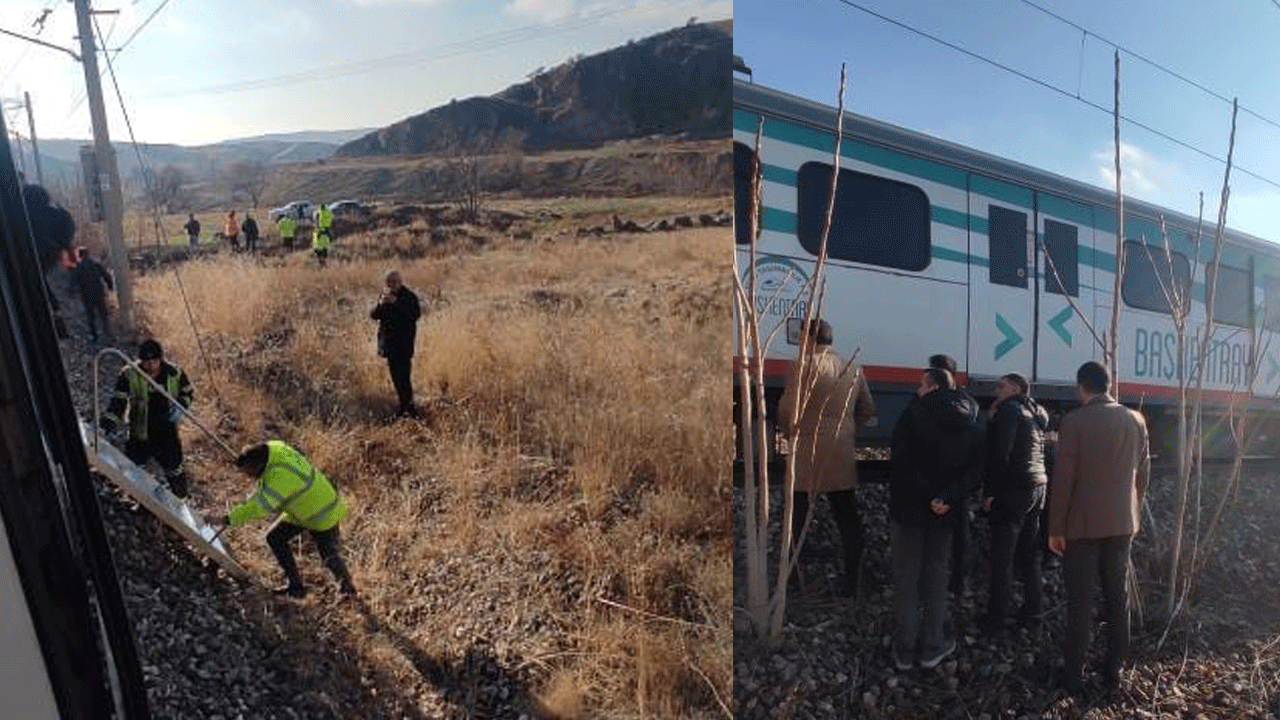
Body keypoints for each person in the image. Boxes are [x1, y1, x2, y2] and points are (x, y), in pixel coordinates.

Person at [1048, 361, 1149, 695]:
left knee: (1080, 602)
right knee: (1116, 599)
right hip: (1123, 525)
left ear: (1081, 388)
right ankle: (1114, 670)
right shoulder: (1136, 420)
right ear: (1109, 385)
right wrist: (1131, 510)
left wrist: (1056, 527)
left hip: (1082, 527)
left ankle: (1074, 675)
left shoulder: (1075, 422)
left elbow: (1064, 481)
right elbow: (1142, 474)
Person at [889, 367, 980, 670]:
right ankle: (932, 645)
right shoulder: (971, 418)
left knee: (908, 577)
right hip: (946, 514)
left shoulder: (912, 414)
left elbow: (901, 466)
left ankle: (904, 649)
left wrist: (929, 496)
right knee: (937, 576)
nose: (917, 389)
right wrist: (947, 497)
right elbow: (976, 470)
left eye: (920, 384)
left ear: (932, 386)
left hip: (910, 512)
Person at [777, 318, 876, 597]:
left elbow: (786, 410)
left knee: (795, 516)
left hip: (807, 449)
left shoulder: (801, 365)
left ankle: (792, 581)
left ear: (809, 338)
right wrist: (847, 429)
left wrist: (790, 433)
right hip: (840, 449)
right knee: (846, 515)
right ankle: (852, 580)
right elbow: (868, 408)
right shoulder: (853, 368)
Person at [204, 440, 356, 598]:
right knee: (275, 538)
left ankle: (348, 590)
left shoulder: (280, 478)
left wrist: (225, 519)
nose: (249, 478)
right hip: (308, 505)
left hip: (322, 513)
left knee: (328, 554)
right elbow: (266, 485)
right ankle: (296, 587)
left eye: (249, 473)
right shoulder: (275, 447)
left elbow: (258, 507)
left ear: (258, 466)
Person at [980, 372, 1048, 631]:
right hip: (1037, 487)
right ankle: (1034, 612)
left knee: (1002, 558)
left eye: (1002, 385)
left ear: (1017, 387)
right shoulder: (1036, 413)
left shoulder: (1009, 411)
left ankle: (996, 618)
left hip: (1013, 489)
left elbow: (1000, 454)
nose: (996, 389)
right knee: (1029, 555)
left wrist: (990, 492)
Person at [100, 340, 194, 498]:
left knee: (175, 470)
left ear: (161, 359)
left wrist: (181, 405)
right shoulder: (129, 374)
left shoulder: (174, 373)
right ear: (140, 360)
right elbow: (117, 404)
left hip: (167, 431)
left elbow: (188, 392)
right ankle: (136, 501)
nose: (150, 366)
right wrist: (106, 427)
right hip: (140, 431)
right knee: (133, 470)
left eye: (154, 361)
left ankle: (183, 504)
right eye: (146, 362)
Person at [928, 354, 985, 596]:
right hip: (960, 479)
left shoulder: (928, 403)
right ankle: (960, 582)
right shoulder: (970, 403)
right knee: (961, 532)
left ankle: (932, 582)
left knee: (932, 535)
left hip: (936, 477)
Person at [370, 270, 422, 417]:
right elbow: (374, 315)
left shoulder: (409, 296)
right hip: (390, 346)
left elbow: (415, 315)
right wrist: (380, 304)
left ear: (400, 282)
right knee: (396, 380)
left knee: (404, 379)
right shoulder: (384, 295)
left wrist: (396, 303)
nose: (391, 285)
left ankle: (411, 411)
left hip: (404, 346)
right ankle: (403, 409)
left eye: (394, 282)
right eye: (388, 282)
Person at [70, 247, 114, 342]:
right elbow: (106, 276)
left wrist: (72, 291)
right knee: (103, 313)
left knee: (90, 315)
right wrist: (110, 286)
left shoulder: (78, 267)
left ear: (80, 255)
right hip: (98, 292)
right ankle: (108, 333)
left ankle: (94, 335)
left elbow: (73, 282)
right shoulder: (96, 264)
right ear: (88, 254)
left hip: (86, 294)